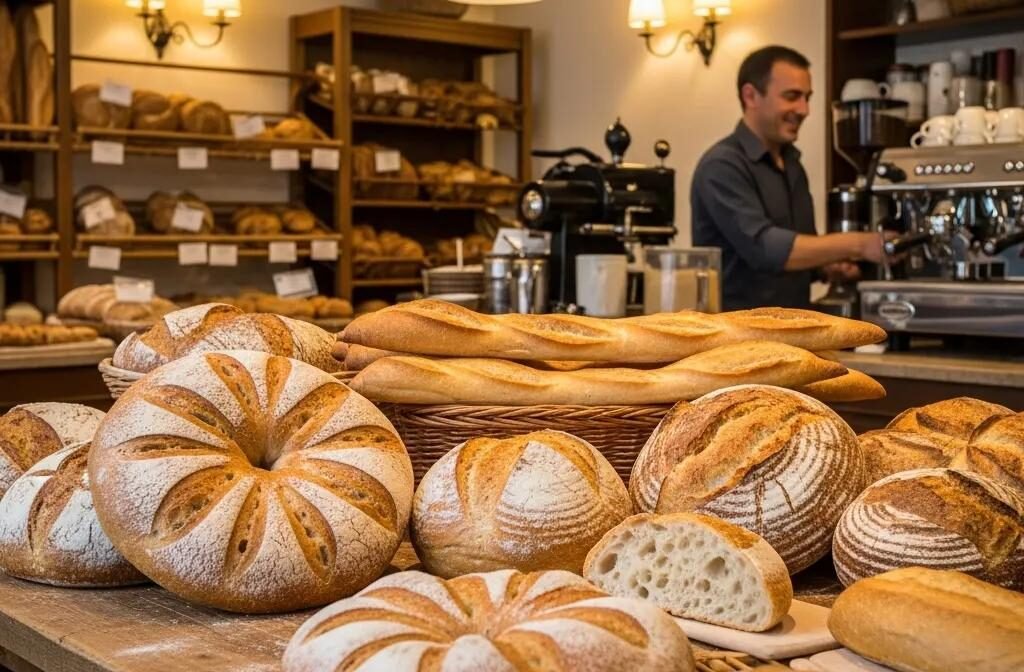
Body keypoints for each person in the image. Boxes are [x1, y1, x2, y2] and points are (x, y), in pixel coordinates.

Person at [691, 45, 888, 310]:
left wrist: (826, 267)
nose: (804, 109)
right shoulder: (721, 165)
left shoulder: (793, 164)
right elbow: (765, 249)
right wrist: (860, 244)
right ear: (750, 96)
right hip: (737, 338)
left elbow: (798, 252)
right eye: (792, 96)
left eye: (807, 97)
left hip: (792, 330)